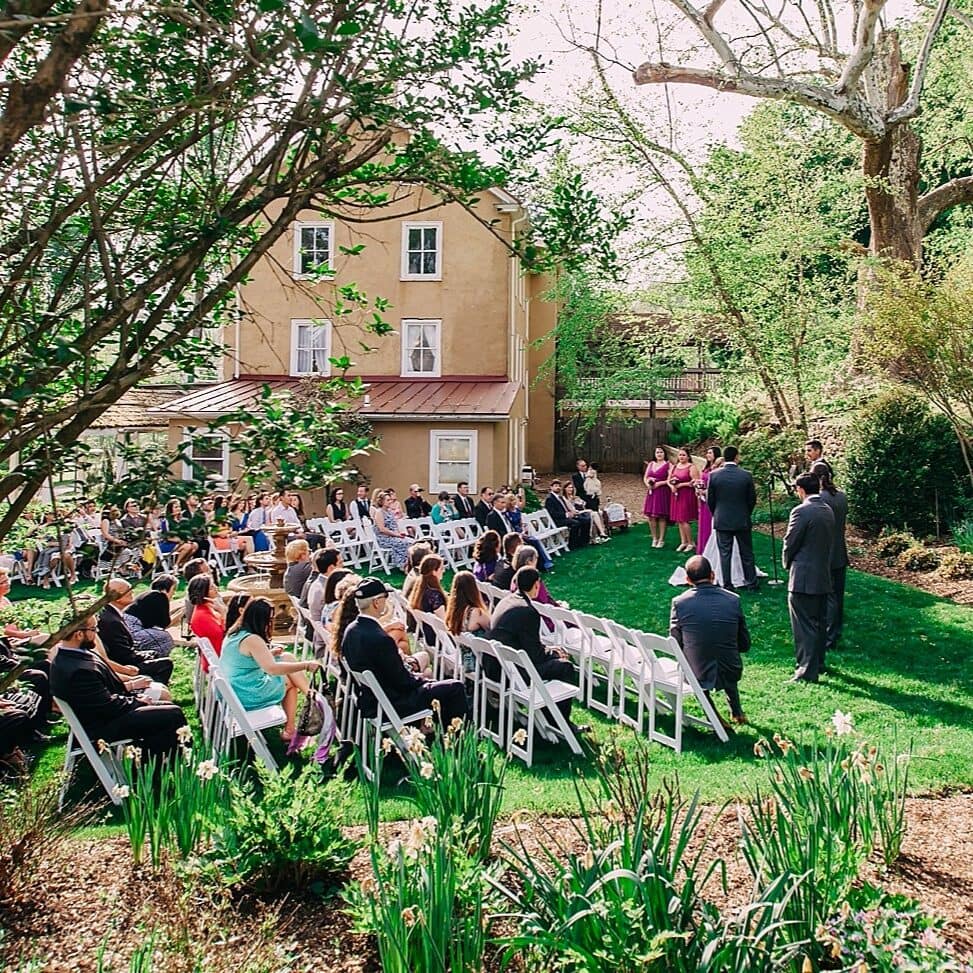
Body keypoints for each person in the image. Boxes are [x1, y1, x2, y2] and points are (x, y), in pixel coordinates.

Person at [50, 616, 187, 759]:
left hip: (106, 716)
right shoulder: (78, 670)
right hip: (102, 726)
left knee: (165, 707)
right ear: (78, 635)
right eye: (94, 629)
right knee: (172, 714)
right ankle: (166, 765)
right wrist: (138, 701)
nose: (97, 633)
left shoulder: (72, 657)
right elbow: (107, 706)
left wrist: (135, 694)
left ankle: (157, 760)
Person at [341, 577, 468, 724]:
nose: (386, 601)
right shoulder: (380, 638)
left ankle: (435, 731)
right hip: (393, 702)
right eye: (385, 597)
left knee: (440, 686)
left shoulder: (351, 630)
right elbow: (402, 681)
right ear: (376, 602)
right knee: (455, 687)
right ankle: (456, 738)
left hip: (373, 698)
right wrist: (424, 680)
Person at [220, 598, 322, 741]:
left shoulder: (235, 632)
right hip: (247, 695)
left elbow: (245, 660)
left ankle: (313, 702)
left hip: (236, 690)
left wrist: (269, 653)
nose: (271, 623)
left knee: (287, 657)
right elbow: (272, 669)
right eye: (270, 619)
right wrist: (306, 665)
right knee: (292, 682)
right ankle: (312, 707)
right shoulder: (252, 639)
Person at [490, 567, 579, 723]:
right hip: (514, 673)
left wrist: (549, 650)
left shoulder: (506, 601)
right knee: (565, 667)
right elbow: (535, 656)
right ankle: (559, 722)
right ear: (536, 585)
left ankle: (550, 717)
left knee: (554, 659)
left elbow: (527, 643)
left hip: (498, 665)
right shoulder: (527, 612)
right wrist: (555, 654)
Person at [669, 555, 749, 726]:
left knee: (692, 663)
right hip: (731, 665)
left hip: (697, 669)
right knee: (723, 657)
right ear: (712, 575)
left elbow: (675, 641)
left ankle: (712, 715)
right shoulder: (733, 600)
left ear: (688, 579)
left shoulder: (679, 603)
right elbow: (743, 639)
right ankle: (737, 711)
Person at [782, 472, 835, 684]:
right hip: (822, 574)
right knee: (819, 623)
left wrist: (787, 563)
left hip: (803, 576)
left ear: (801, 490)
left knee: (803, 626)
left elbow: (790, 542)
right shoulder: (827, 509)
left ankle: (806, 671)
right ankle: (818, 663)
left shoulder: (801, 511)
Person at [98, 580, 173, 683]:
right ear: (117, 598)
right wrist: (144, 656)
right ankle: (152, 691)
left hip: (122, 660)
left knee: (154, 654)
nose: (132, 592)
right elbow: (123, 656)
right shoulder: (112, 621)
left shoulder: (110, 613)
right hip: (122, 667)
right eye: (128, 590)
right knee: (166, 664)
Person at [706, 445, 759, 592]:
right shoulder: (746, 475)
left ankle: (727, 584)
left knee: (725, 553)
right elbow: (752, 499)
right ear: (737, 457)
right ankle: (751, 583)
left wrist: (716, 513)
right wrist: (746, 512)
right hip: (742, 518)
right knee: (747, 552)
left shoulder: (714, 475)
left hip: (722, 519)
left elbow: (711, 500)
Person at [812, 461, 849, 655]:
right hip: (840, 552)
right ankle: (835, 631)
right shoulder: (841, 497)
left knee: (826, 597)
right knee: (838, 596)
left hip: (823, 554)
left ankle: (828, 636)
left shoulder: (818, 500)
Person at [445, 570, 492, 672]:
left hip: (465, 658)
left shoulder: (453, 611)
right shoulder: (476, 612)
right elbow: (491, 627)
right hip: (480, 660)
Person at [124, 575, 181, 657]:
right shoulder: (161, 596)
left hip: (127, 628)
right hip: (133, 630)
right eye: (173, 589)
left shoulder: (150, 595)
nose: (174, 593)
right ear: (166, 588)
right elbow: (165, 624)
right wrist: (181, 613)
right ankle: (153, 660)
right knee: (165, 638)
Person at [668, 448, 700, 553]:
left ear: (688, 456)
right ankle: (683, 541)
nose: (681, 457)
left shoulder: (691, 467)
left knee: (684, 519)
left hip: (686, 494)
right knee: (679, 520)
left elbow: (695, 481)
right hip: (676, 495)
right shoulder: (675, 466)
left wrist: (681, 484)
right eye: (680, 455)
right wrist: (672, 486)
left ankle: (691, 542)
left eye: (684, 455)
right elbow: (669, 479)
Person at [544, 479, 590, 549]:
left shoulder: (559, 497)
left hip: (565, 517)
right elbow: (552, 513)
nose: (558, 487)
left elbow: (565, 508)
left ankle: (583, 541)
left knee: (586, 520)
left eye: (559, 486)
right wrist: (566, 515)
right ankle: (572, 544)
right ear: (551, 487)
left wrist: (571, 513)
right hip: (557, 520)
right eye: (556, 486)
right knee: (576, 523)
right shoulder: (550, 499)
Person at [188, 574, 227, 654]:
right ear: (203, 593)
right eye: (212, 587)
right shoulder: (202, 616)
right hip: (221, 655)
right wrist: (223, 612)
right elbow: (226, 634)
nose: (216, 588)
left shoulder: (208, 607)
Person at [372, 492, 411, 570]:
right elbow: (382, 529)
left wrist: (399, 533)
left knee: (411, 541)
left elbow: (394, 525)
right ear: (381, 501)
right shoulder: (379, 512)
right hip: (384, 538)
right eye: (388, 500)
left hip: (393, 535)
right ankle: (402, 565)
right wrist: (396, 535)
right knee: (403, 542)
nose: (390, 501)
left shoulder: (389, 511)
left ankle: (409, 563)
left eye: (390, 500)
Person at [643, 446, 672, 549]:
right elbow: (645, 477)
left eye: (661, 452)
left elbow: (669, 479)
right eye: (657, 452)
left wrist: (659, 483)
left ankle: (661, 539)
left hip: (662, 492)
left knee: (661, 516)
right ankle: (654, 538)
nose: (659, 454)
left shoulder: (668, 465)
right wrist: (648, 484)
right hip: (651, 492)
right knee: (651, 517)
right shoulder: (651, 464)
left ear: (664, 454)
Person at [695, 446, 722, 555]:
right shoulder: (706, 467)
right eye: (707, 452)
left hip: (712, 500)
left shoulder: (718, 468)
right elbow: (702, 480)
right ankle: (702, 548)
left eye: (710, 453)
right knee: (703, 524)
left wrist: (706, 491)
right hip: (703, 500)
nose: (707, 455)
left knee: (710, 524)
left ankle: (711, 550)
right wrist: (698, 488)